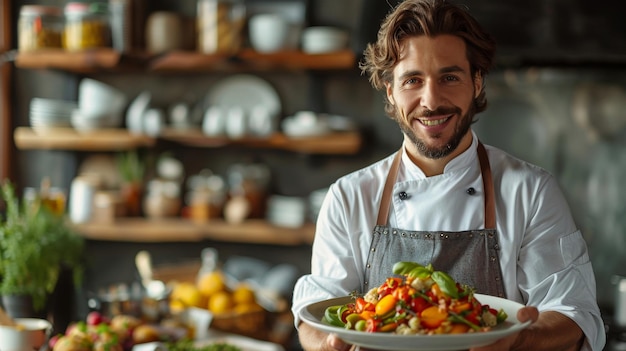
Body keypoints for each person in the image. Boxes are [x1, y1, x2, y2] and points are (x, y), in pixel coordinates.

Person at [291, 0, 606, 350]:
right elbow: (316, 315)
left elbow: (573, 313)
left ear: (476, 82)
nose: (431, 100)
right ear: (391, 91)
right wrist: (329, 346)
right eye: (413, 80)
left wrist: (520, 340)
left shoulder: (530, 191)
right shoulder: (350, 196)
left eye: (449, 77)